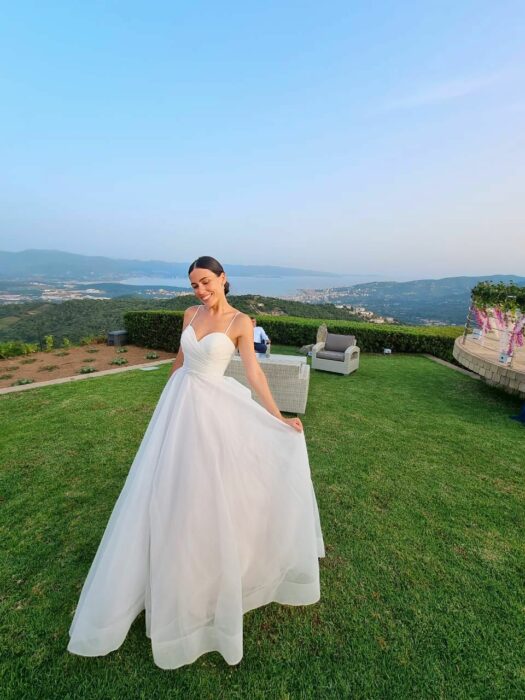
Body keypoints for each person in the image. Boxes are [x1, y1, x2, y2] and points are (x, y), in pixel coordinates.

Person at [67, 255, 325, 670]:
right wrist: (163, 404)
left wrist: (277, 416)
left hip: (214, 409)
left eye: (206, 282)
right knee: (165, 488)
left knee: (210, 491)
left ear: (223, 279)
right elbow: (180, 362)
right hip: (179, 406)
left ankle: (212, 574)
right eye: (194, 286)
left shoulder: (241, 322)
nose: (201, 291)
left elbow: (254, 374)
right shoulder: (189, 313)